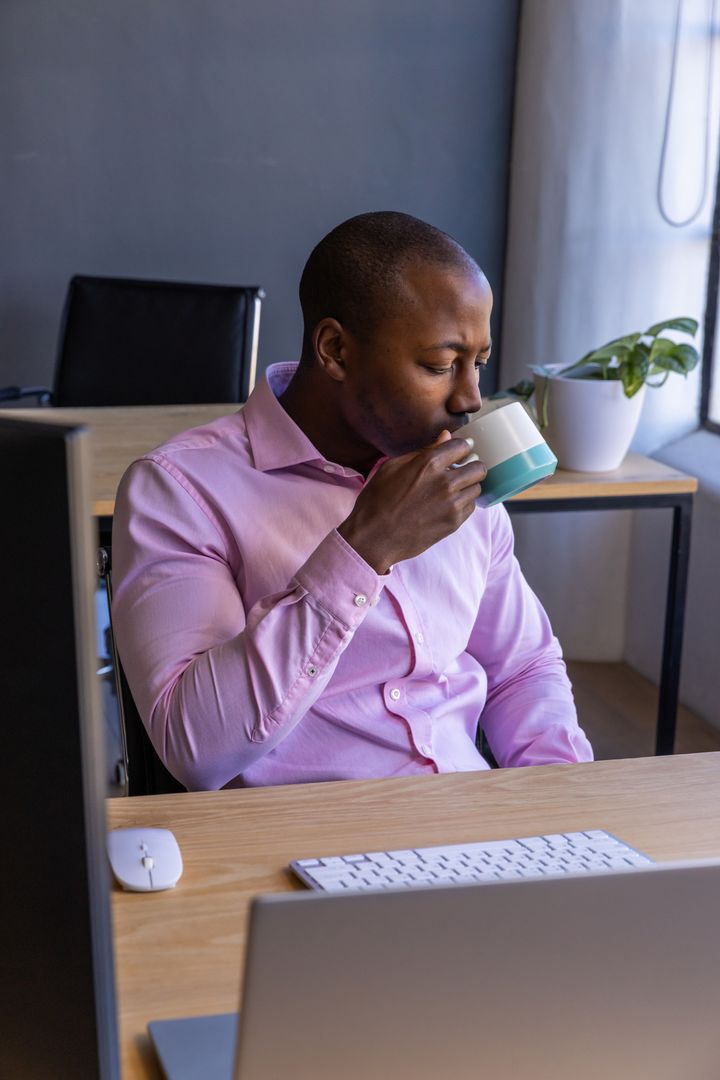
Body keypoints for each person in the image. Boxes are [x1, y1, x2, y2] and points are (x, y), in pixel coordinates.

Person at [112, 211, 592, 791]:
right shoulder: (180, 490)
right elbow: (195, 750)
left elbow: (523, 668)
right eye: (440, 366)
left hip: (467, 817)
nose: (470, 398)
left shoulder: (456, 470)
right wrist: (362, 549)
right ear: (336, 350)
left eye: (479, 364)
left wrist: (562, 804)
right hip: (308, 832)